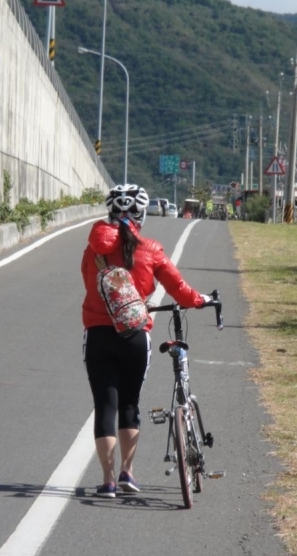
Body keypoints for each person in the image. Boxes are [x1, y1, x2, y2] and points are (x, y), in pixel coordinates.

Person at [81, 184, 210, 498]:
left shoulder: (93, 249)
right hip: (135, 336)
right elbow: (179, 289)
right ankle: (128, 472)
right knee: (129, 405)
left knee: (105, 406)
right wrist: (200, 300)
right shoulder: (151, 248)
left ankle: (108, 480)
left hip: (98, 334)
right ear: (141, 215)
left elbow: (89, 282)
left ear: (110, 213)